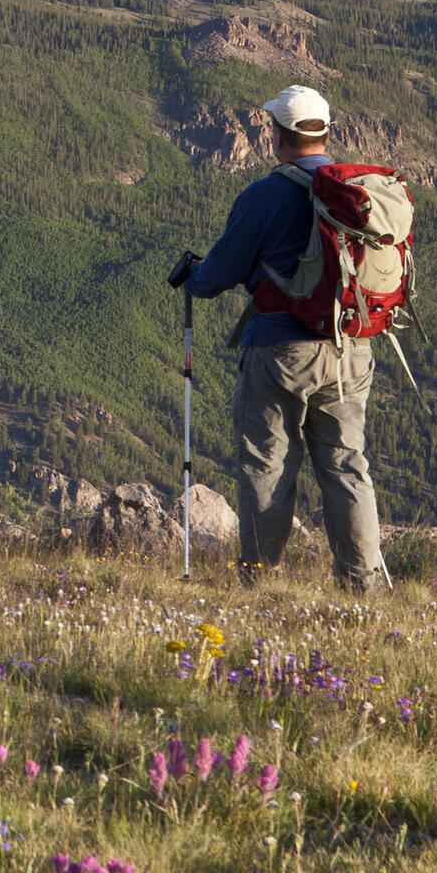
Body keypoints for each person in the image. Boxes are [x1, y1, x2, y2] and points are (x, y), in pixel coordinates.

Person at [175, 83, 384, 591]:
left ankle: (261, 581)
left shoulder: (264, 196)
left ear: (278, 137)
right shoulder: (357, 192)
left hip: (279, 352)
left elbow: (218, 274)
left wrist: (191, 278)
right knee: (346, 465)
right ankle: (364, 584)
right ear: (326, 133)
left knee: (268, 464)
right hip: (351, 347)